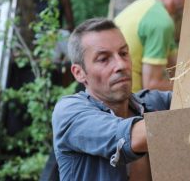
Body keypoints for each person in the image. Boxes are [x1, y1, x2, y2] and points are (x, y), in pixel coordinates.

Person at [52, 18, 172, 181]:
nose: (121, 64)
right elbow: (130, 138)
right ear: (79, 73)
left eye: (123, 53)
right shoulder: (69, 112)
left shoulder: (153, 103)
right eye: (103, 59)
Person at [114, 0, 190, 92]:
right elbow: (152, 85)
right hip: (131, 101)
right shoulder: (161, 22)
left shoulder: (146, 5)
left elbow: (177, 67)